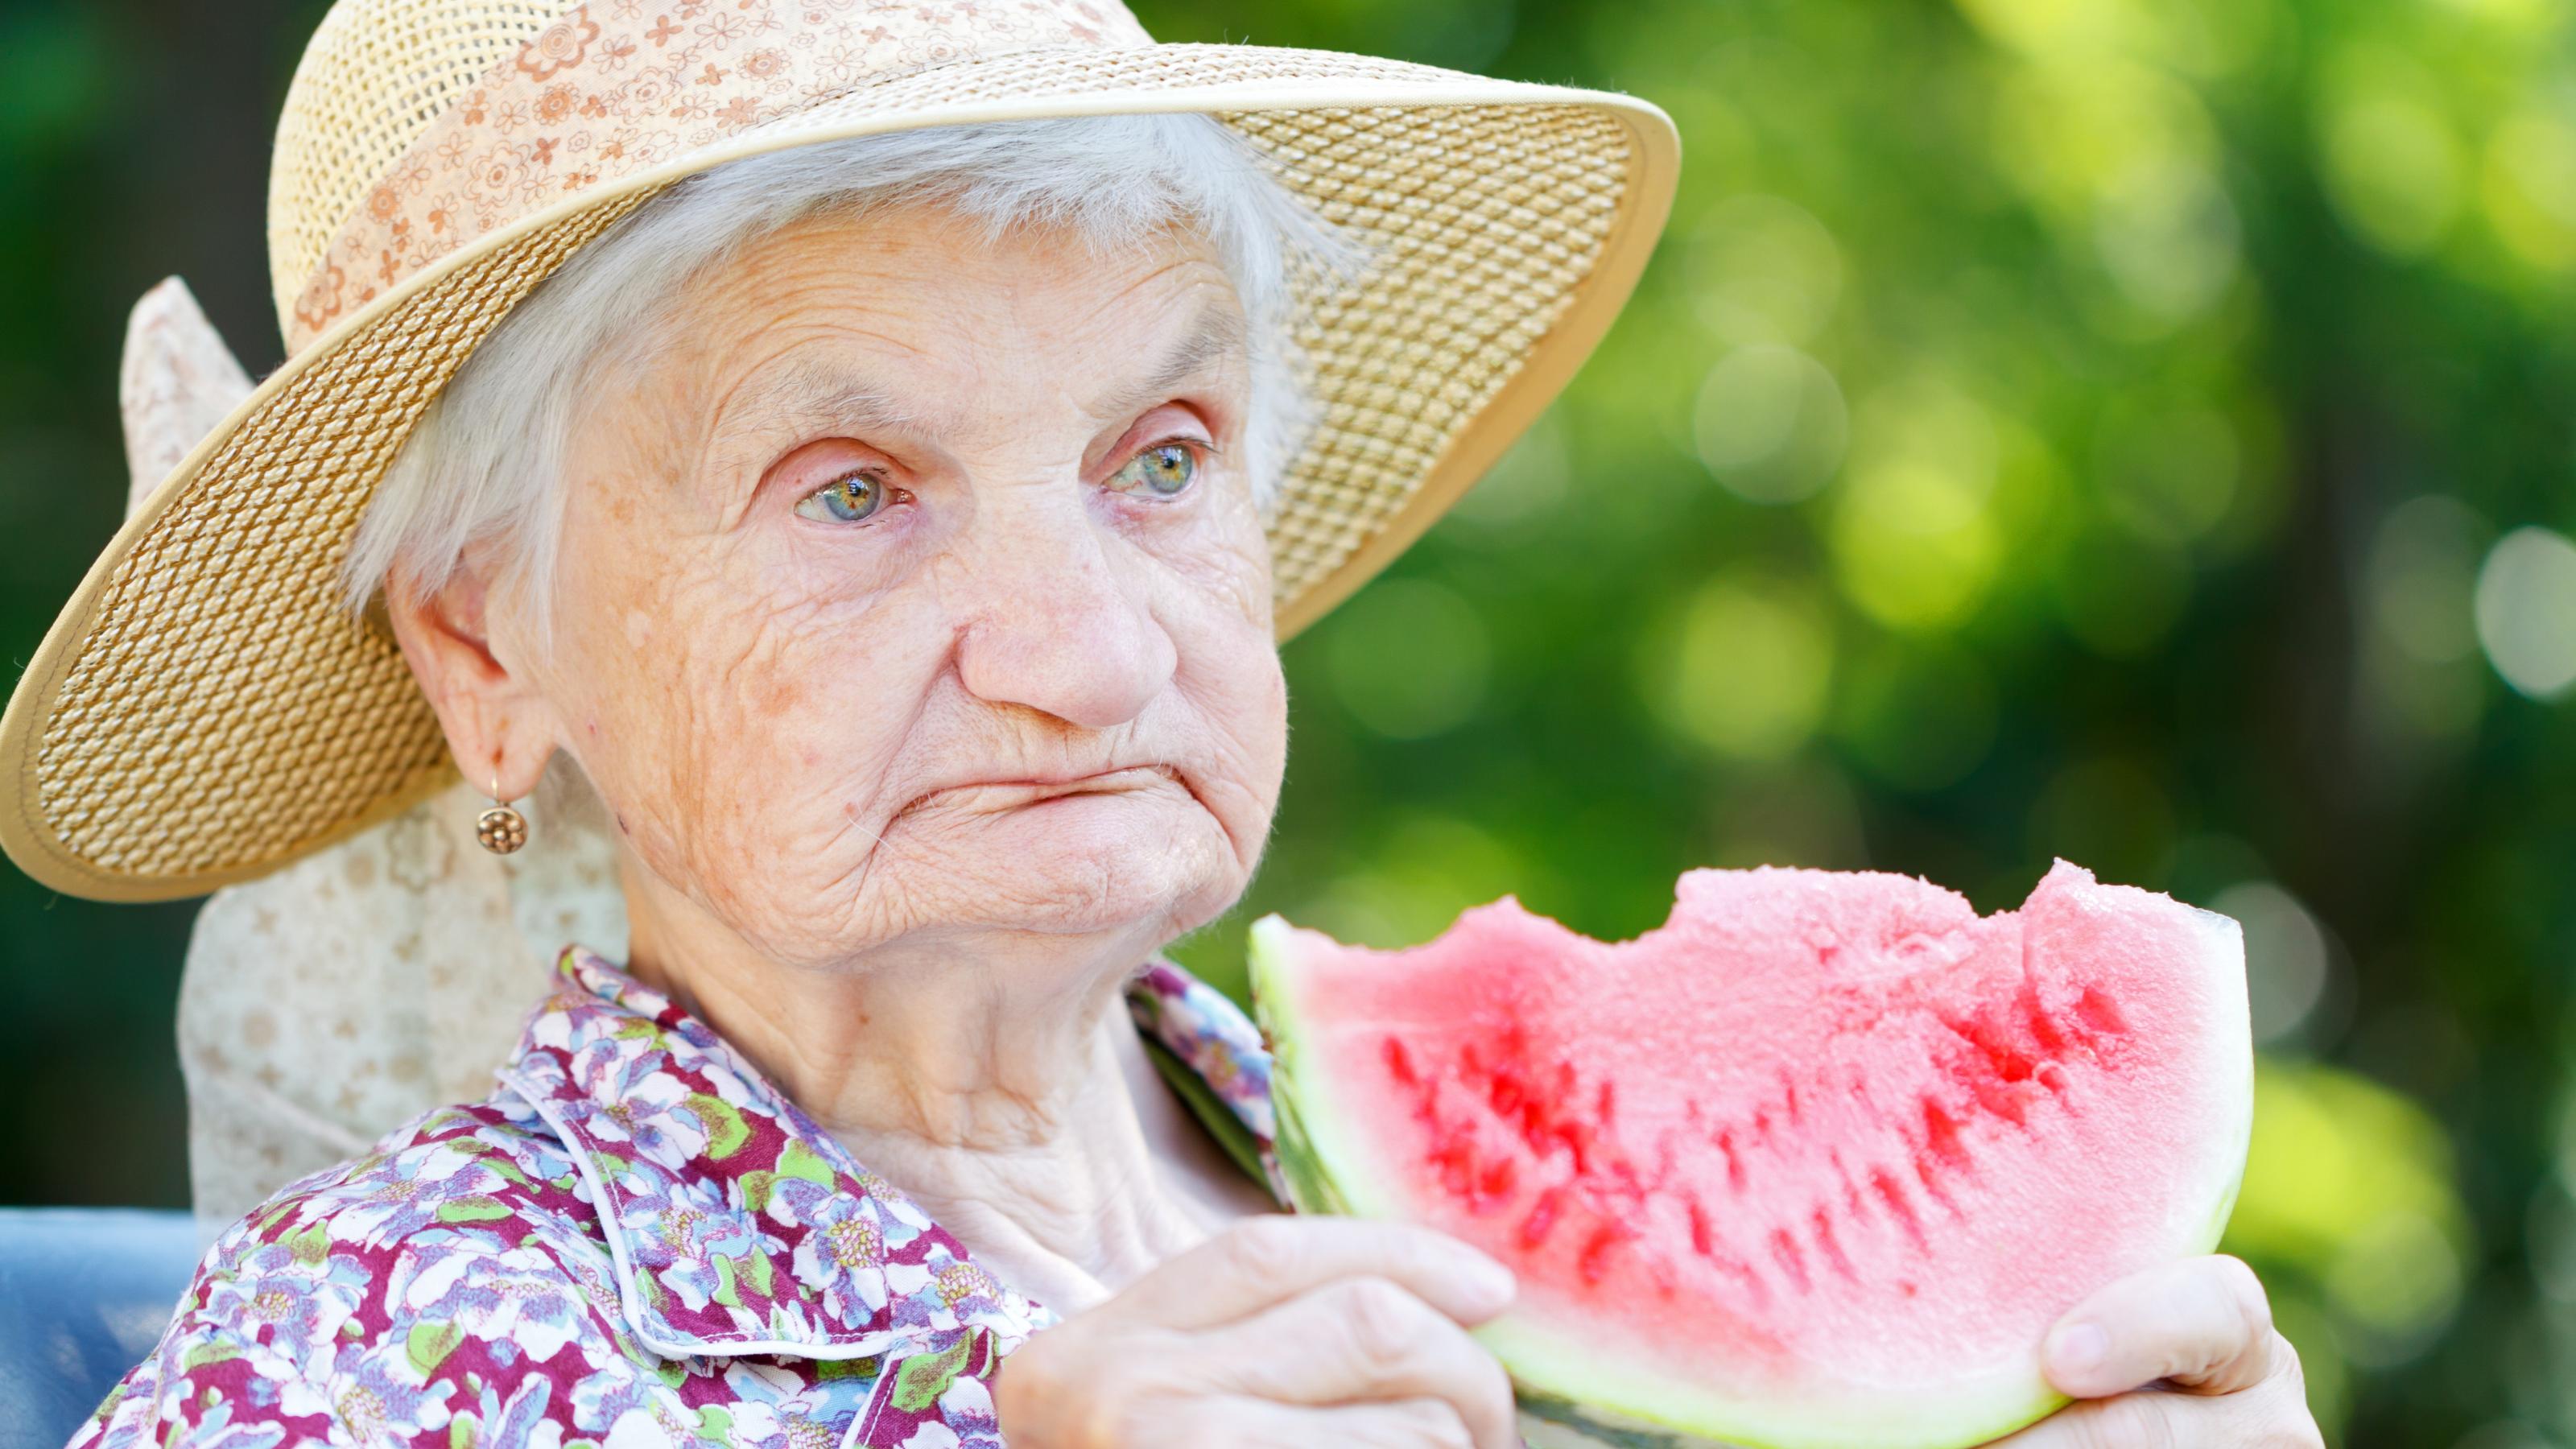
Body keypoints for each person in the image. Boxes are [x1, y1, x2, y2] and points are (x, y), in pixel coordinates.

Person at [1, 1, 2322, 1444]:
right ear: (486, 653)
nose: (1091, 655)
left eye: (1162, 456)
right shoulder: (355, 1359)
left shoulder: (1472, 1218)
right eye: (854, 489)